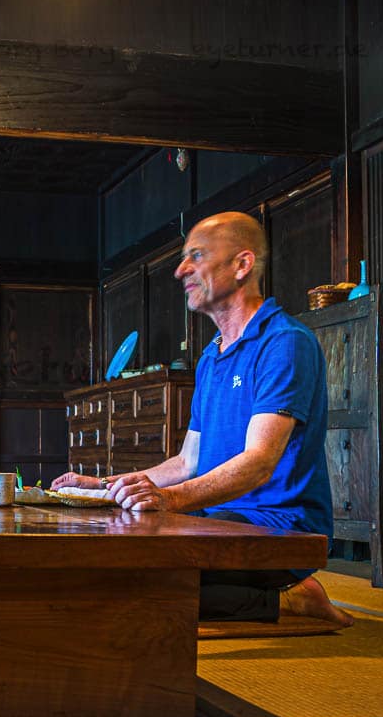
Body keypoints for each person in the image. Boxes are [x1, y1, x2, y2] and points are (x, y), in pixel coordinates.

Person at [53, 212, 353, 627]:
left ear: (242, 265)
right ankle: (275, 598)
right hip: (217, 520)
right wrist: (106, 487)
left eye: (196, 255)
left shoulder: (283, 342)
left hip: (278, 526)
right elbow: (187, 463)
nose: (180, 270)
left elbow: (260, 462)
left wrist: (170, 501)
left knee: (135, 585)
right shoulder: (211, 356)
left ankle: (291, 597)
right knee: (100, 560)